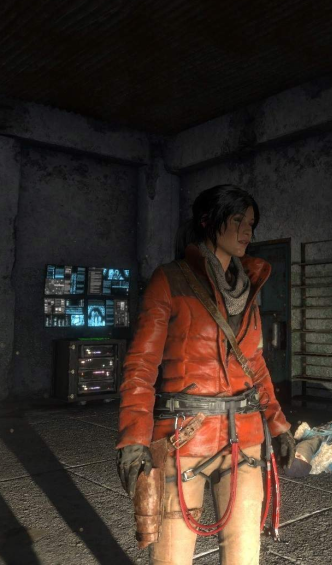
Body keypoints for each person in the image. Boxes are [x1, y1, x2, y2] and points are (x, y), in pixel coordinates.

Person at [116, 184, 295, 565]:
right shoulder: (170, 280)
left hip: (244, 437)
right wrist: (133, 438)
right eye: (237, 220)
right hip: (183, 439)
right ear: (207, 221)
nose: (246, 231)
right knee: (172, 558)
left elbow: (255, 364)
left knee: (244, 557)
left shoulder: (248, 289)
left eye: (251, 223)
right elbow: (141, 365)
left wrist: (277, 424)